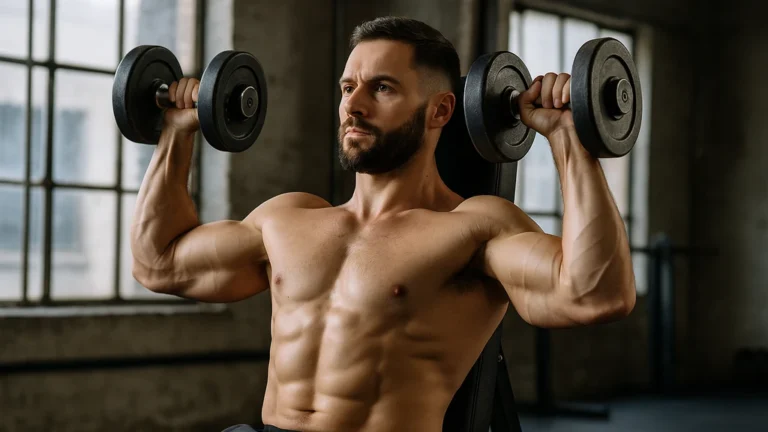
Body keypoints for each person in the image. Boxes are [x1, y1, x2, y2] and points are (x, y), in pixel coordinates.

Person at [130, 16, 636, 432]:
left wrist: (570, 139)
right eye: (348, 87)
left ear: (440, 110)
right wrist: (176, 132)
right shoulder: (288, 218)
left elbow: (595, 294)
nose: (354, 104)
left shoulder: (473, 229)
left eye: (382, 88)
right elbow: (160, 262)